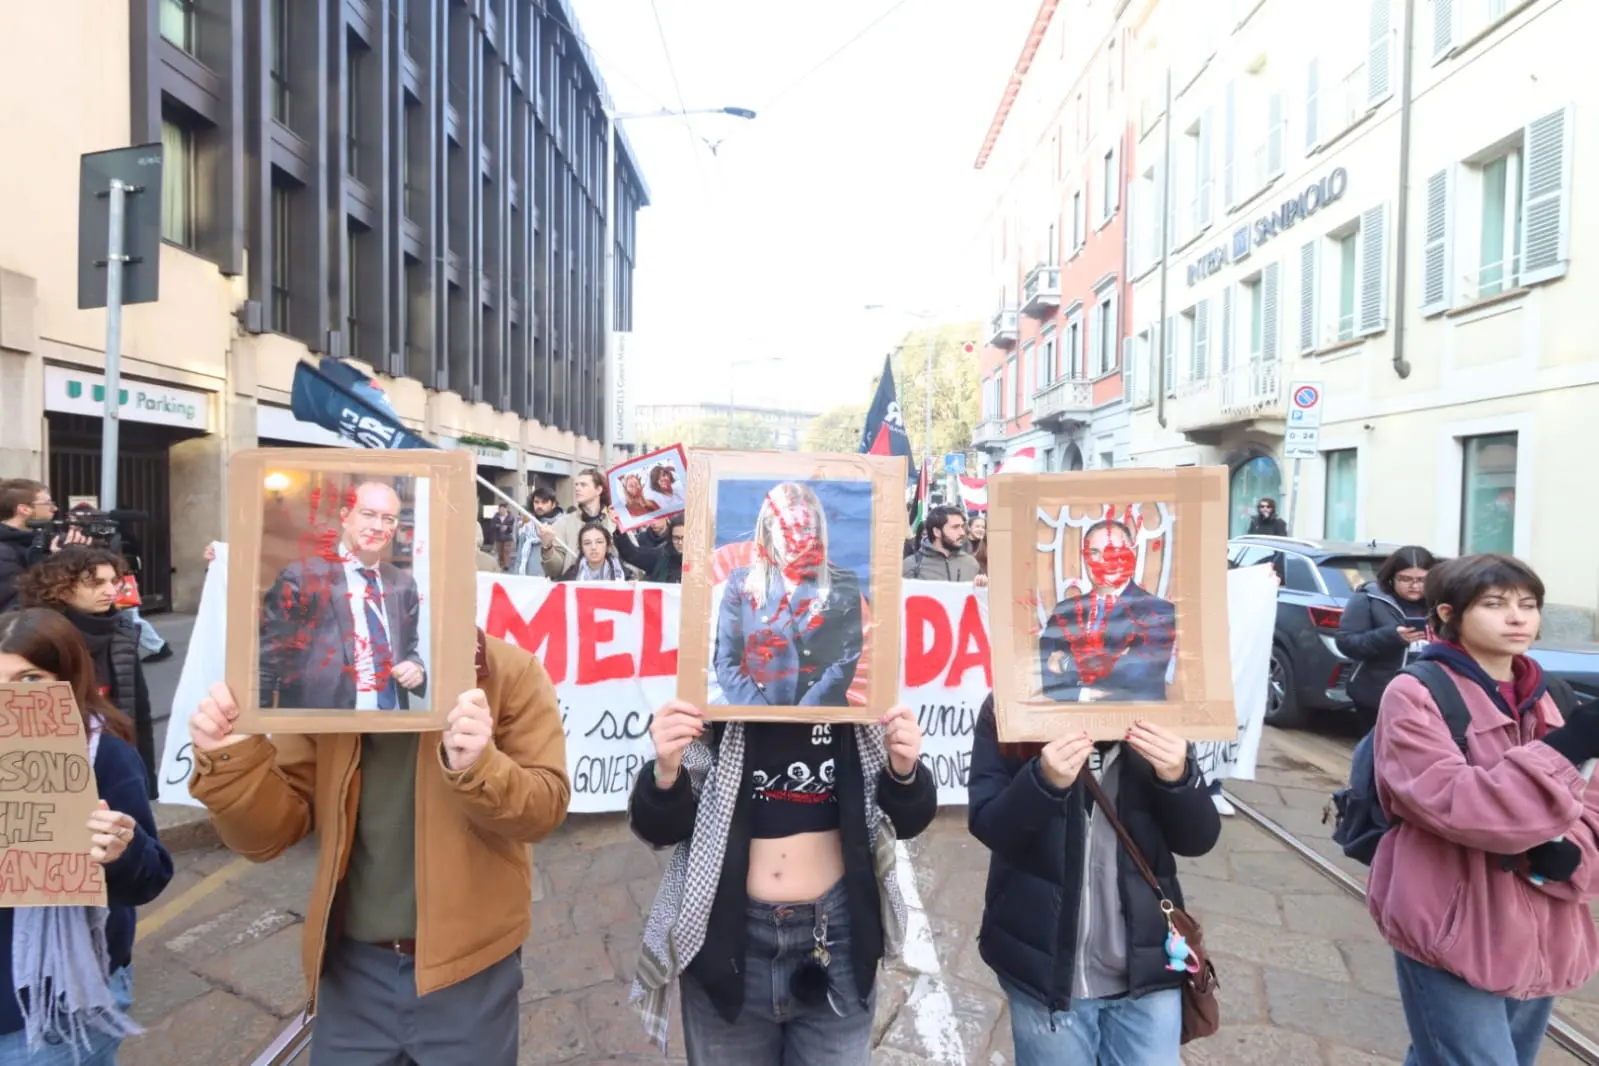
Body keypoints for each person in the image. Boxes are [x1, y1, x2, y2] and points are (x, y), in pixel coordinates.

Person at [186, 629, 572, 1064]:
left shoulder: (509, 672)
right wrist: (230, 761)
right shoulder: (326, 680)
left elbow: (545, 807)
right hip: (351, 973)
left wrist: (482, 766)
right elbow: (270, 832)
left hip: (469, 973)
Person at [1370, 554, 1599, 1066]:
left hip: (1541, 922)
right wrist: (1564, 750)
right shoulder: (1415, 693)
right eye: (1495, 605)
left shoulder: (1551, 694)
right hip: (1451, 918)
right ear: (1450, 614)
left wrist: (1573, 853)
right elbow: (1452, 801)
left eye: (1529, 605)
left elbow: (1594, 802)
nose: (1517, 617)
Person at [628, 698, 936, 1064]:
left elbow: (908, 820)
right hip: (730, 947)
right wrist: (665, 774)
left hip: (837, 943)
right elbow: (659, 828)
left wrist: (905, 772)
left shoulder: (861, 704)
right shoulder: (713, 702)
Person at [967, 694, 1219, 1064]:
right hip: (1046, 975)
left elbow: (1198, 839)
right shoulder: (1009, 702)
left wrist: (1178, 777)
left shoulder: (1159, 708)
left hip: (1149, 970)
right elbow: (990, 824)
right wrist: (1043, 782)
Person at [0, 608, 175, 1064]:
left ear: (68, 679)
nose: (8, 695)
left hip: (58, 1005)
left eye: (30, 680)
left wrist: (120, 851)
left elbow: (151, 876)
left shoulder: (106, 758)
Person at [259, 478, 427, 712]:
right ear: (345, 517)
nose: (378, 526)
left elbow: (409, 649)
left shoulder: (403, 584)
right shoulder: (302, 579)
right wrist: (258, 730)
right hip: (324, 730)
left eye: (388, 519)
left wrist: (415, 668)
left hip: (391, 728)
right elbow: (267, 662)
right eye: (368, 514)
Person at [16, 546, 159, 799]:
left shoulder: (123, 632)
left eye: (113, 581)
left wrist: (146, 779)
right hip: (54, 768)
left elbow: (139, 711)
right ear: (61, 587)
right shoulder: (34, 636)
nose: (110, 591)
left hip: (115, 761)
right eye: (95, 583)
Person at [713, 482, 862, 708]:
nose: (796, 540)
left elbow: (846, 659)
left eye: (805, 530)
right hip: (754, 721)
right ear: (769, 530)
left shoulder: (843, 584)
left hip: (821, 720)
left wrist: (801, 717)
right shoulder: (740, 584)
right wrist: (764, 718)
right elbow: (726, 661)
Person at [1039, 518, 1176, 703]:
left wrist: (1066, 663)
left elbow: (1137, 676)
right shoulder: (1064, 611)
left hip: (1134, 726)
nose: (1103, 560)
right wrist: (1083, 694)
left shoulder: (1159, 611)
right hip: (1074, 724)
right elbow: (1042, 675)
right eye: (1094, 552)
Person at [1335, 545, 1439, 719]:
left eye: (1422, 580)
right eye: (1405, 579)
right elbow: (1347, 642)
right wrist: (1391, 637)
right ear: (1391, 577)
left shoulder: (1440, 604)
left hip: (1429, 694)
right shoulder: (1369, 598)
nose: (1414, 586)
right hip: (1378, 694)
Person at [0, 479, 89, 615]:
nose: (55, 508)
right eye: (48, 503)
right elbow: (18, 604)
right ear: (24, 509)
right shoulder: (4, 552)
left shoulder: (41, 540)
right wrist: (59, 564)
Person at [903, 506, 984, 584]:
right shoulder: (910, 566)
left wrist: (983, 585)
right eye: (955, 527)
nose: (962, 533)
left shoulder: (971, 564)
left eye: (962, 527)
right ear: (937, 532)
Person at [649, 516, 685, 584]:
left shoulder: (703, 563)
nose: (680, 542)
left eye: (684, 538)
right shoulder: (663, 558)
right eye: (676, 538)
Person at [491, 503, 516, 570]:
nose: (501, 510)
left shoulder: (510, 517)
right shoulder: (495, 517)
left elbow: (512, 527)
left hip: (507, 537)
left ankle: (506, 565)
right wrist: (499, 526)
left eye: (503, 509)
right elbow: (492, 526)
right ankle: (501, 564)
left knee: (506, 551)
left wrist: (507, 527)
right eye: (500, 509)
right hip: (498, 537)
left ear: (506, 509)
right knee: (500, 552)